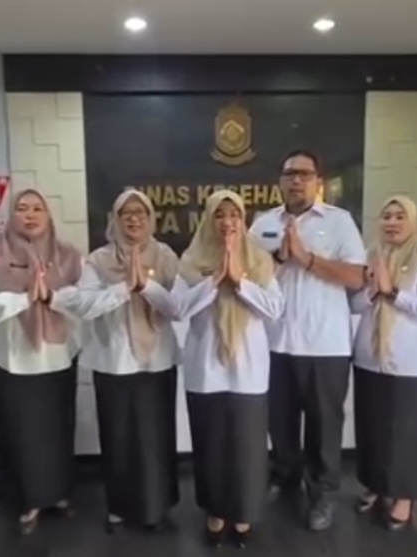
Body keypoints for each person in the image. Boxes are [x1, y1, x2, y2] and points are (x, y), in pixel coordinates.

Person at [248, 150, 368, 531]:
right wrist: (281, 260)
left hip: (325, 344)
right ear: (280, 181)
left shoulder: (339, 222)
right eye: (289, 174)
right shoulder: (263, 224)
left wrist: (307, 258)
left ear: (319, 181)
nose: (296, 180)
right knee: (279, 422)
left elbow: (357, 278)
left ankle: (323, 492)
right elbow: (247, 276)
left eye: (304, 174)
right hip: (274, 342)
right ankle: (285, 475)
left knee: (324, 425)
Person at [58, 189, 181, 532]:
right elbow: (85, 305)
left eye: (140, 212)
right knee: (118, 438)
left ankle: (156, 507)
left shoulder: (165, 255)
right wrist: (125, 287)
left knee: (156, 438)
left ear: (151, 218)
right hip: (113, 362)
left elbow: (177, 307)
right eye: (126, 213)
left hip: (157, 360)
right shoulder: (98, 260)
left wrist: (147, 287)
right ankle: (120, 507)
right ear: (114, 219)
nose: (133, 219)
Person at [0, 189, 82, 535]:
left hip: (58, 356)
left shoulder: (68, 254)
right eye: (22, 208)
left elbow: (82, 298)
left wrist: (53, 297)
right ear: (11, 216)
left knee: (57, 430)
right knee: (21, 433)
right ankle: (28, 499)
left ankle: (57, 494)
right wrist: (23, 299)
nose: (30, 214)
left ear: (48, 215)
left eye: (37, 208)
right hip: (13, 361)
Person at [175, 190, 284, 548]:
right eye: (219, 215)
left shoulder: (259, 259)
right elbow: (178, 308)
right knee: (211, 446)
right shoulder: (191, 260)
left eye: (234, 214)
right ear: (209, 219)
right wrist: (214, 280)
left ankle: (244, 513)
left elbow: (275, 309)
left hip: (248, 369)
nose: (227, 222)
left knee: (247, 449)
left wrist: (239, 281)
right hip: (206, 368)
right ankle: (215, 511)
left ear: (243, 219)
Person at [349, 195, 417, 531]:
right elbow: (354, 304)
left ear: (412, 221)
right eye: (386, 216)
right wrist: (374, 292)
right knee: (372, 427)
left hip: (408, 361)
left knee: (405, 432)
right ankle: (375, 484)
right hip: (369, 356)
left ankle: (405, 496)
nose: (391, 222)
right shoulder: (370, 256)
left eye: (399, 216)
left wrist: (393, 292)